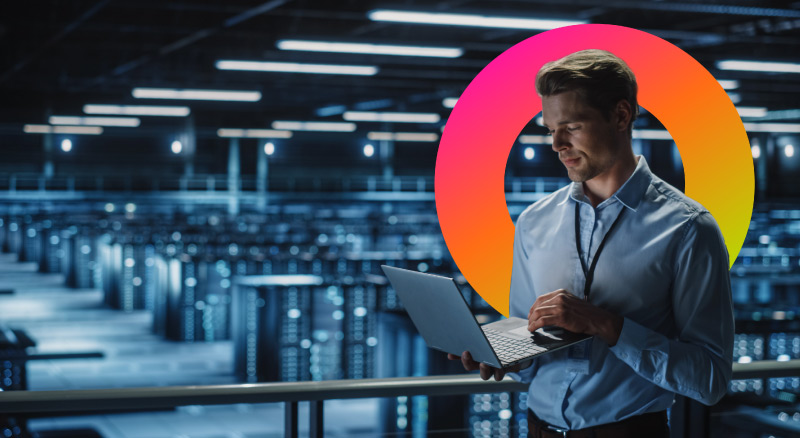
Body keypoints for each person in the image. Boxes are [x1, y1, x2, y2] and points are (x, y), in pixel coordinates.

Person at [448, 49, 733, 437]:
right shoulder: (534, 222)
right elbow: (530, 349)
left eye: (572, 126)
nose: (557, 144)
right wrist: (506, 357)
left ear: (620, 116)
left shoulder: (687, 228)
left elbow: (710, 379)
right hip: (537, 429)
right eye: (550, 129)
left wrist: (606, 324)